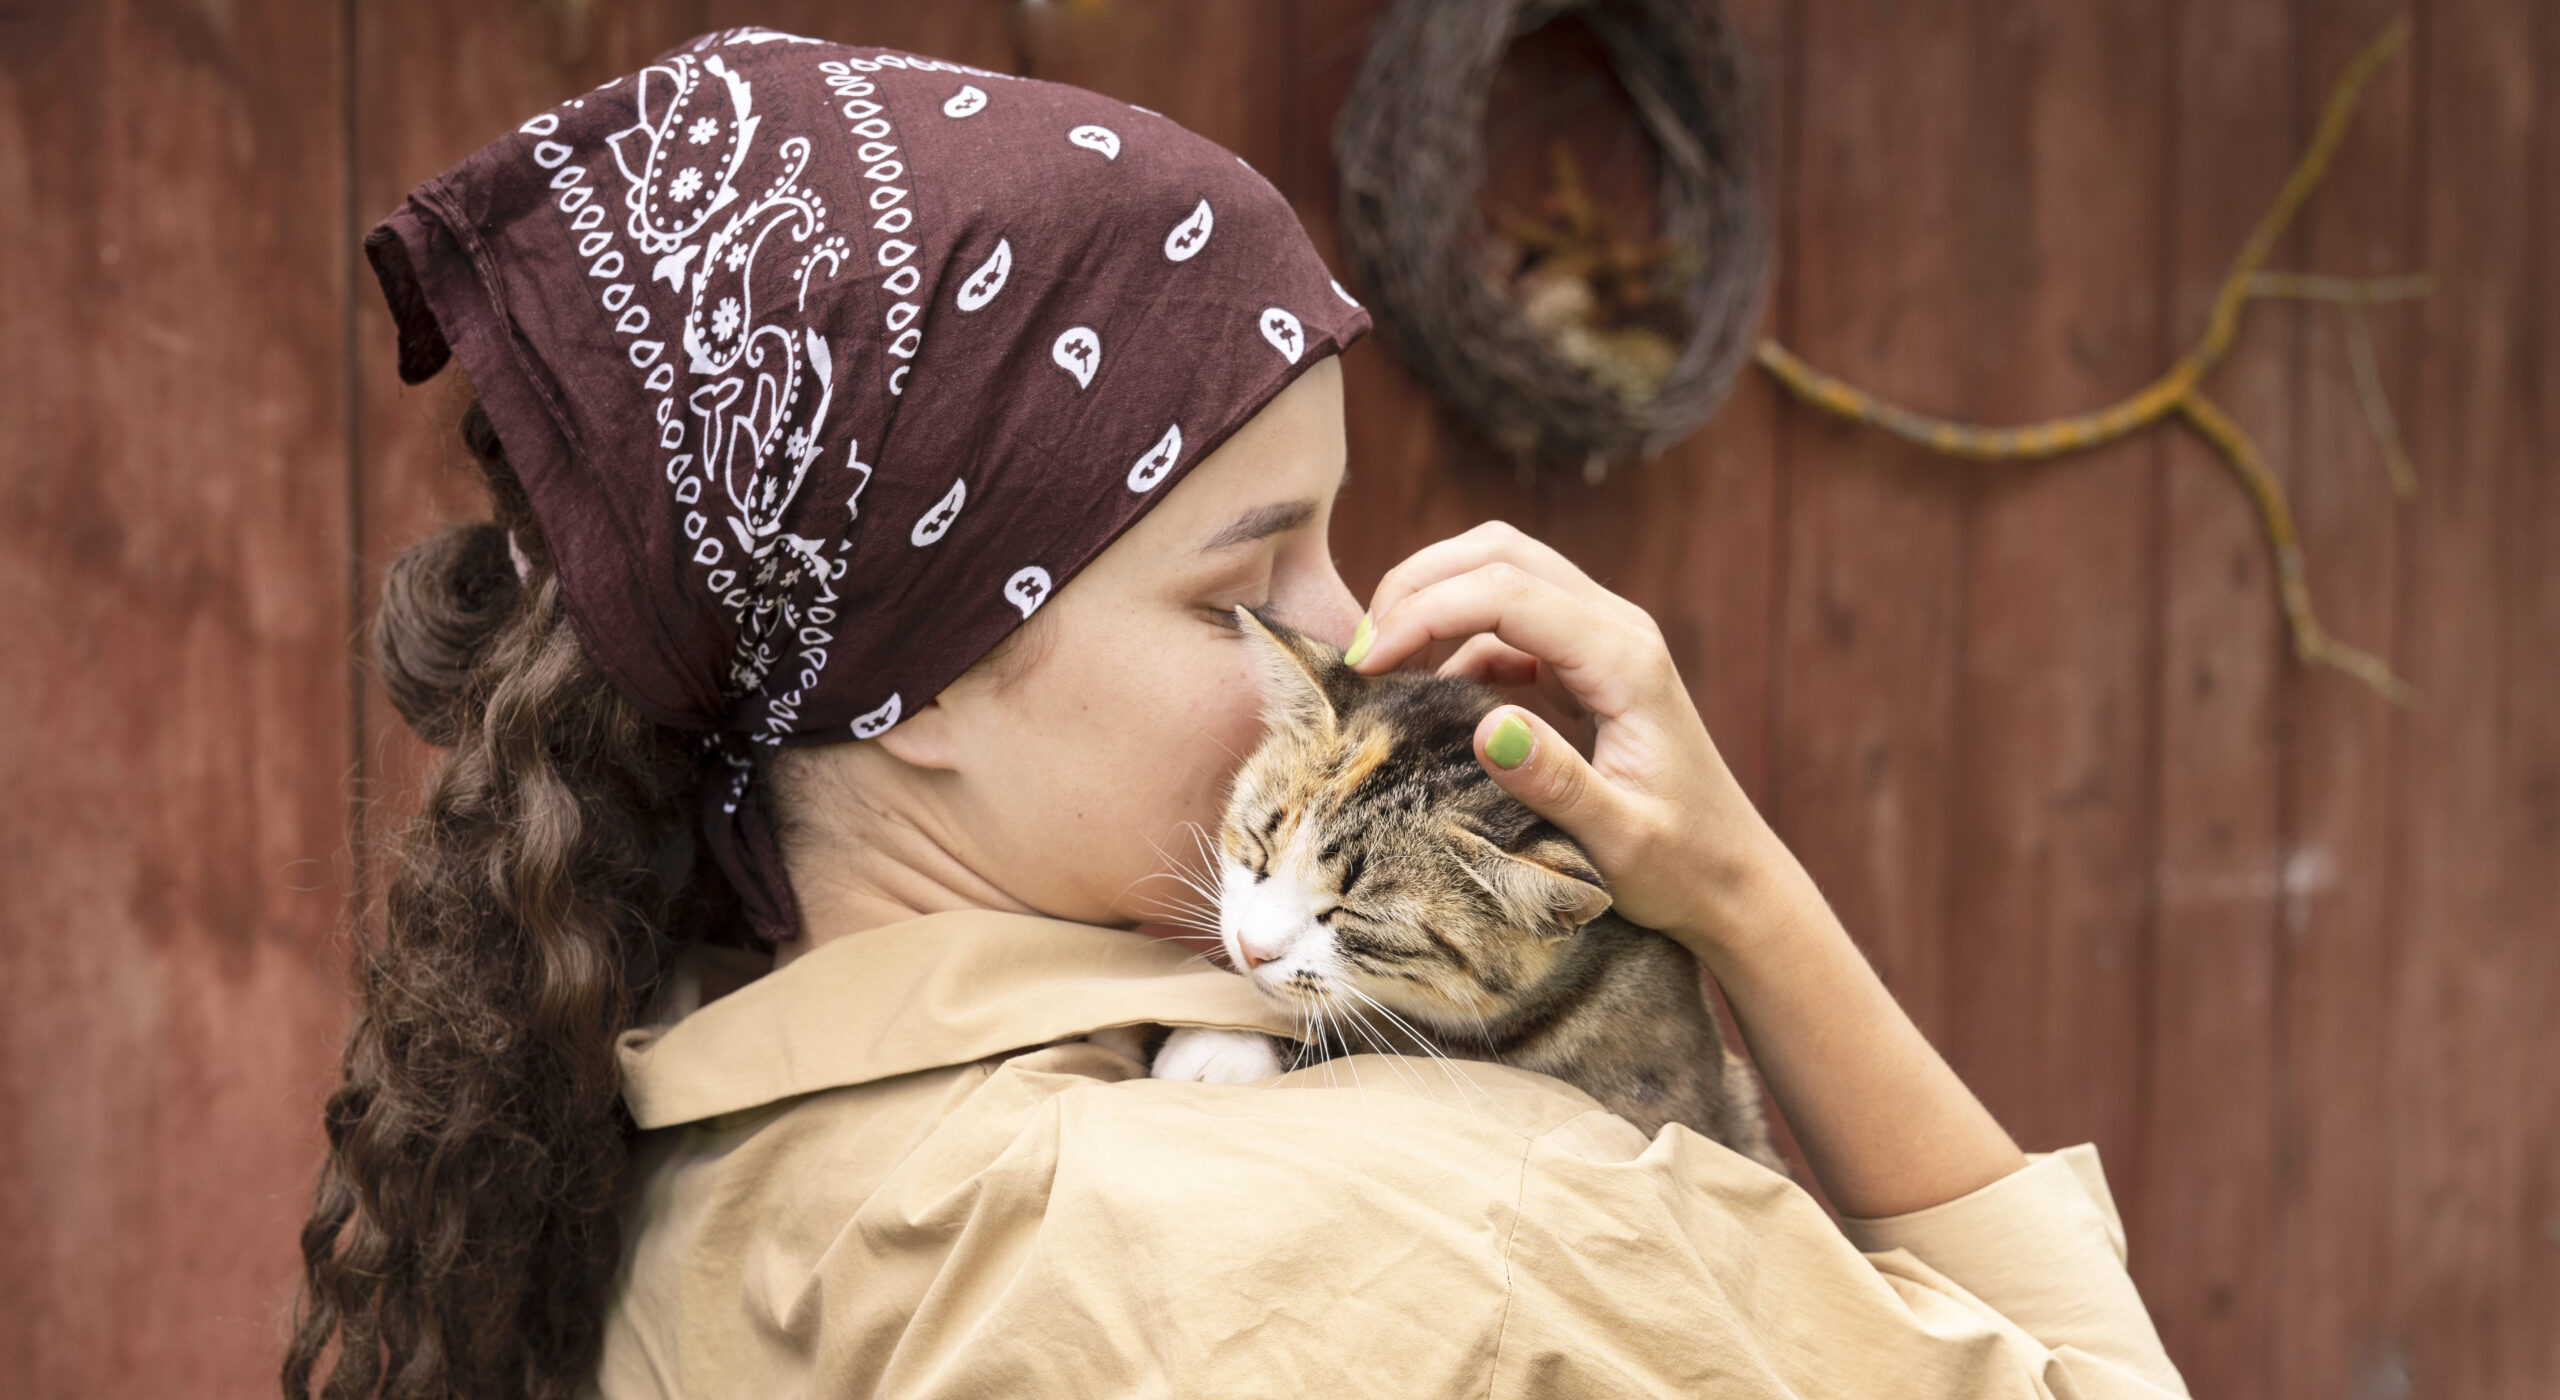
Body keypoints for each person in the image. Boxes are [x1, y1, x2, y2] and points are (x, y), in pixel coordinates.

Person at [288, 28, 2189, 1400]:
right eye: (1246, 582)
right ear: (926, 671)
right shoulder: (1433, 1244)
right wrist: (1753, 901)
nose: (1354, 642)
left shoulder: (671, 1125)